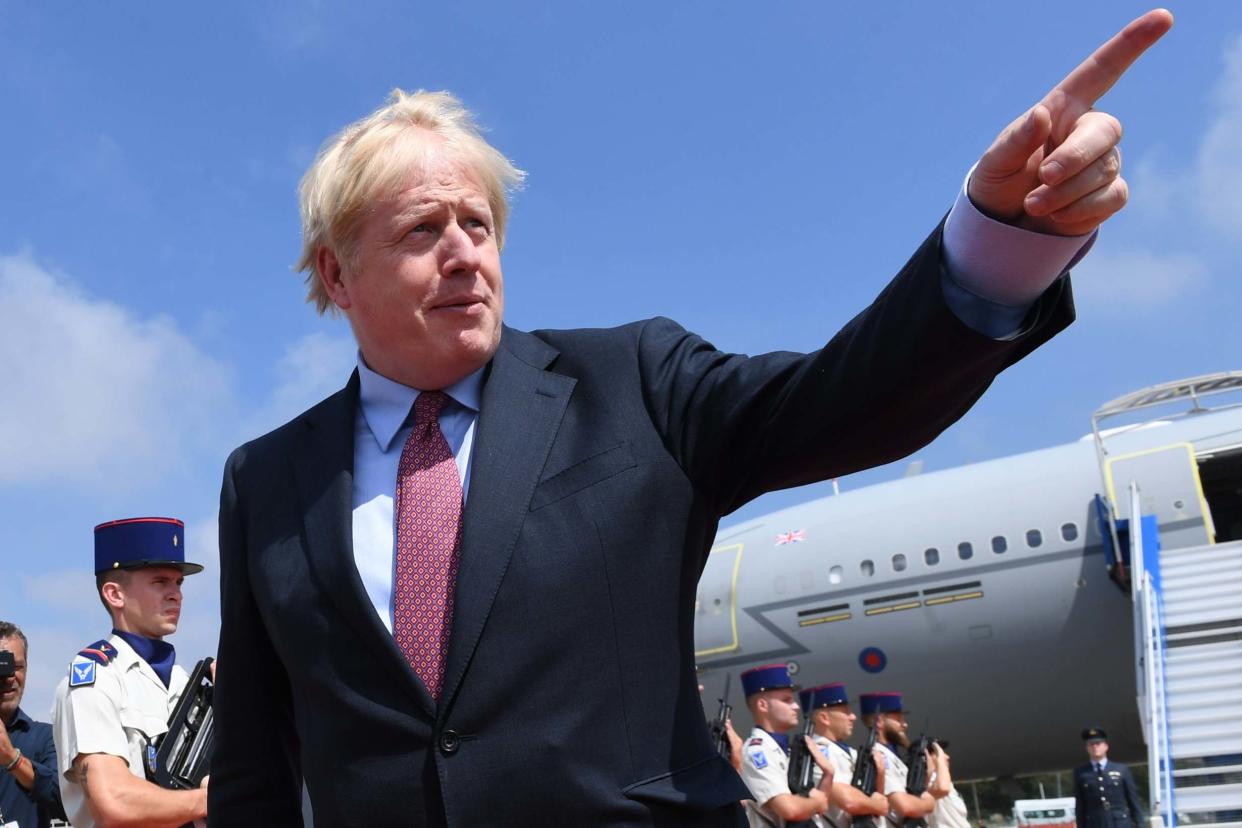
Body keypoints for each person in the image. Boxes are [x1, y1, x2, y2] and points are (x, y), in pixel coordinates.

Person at [208, 11, 1173, 826]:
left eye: (481, 225)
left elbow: (843, 402)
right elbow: (256, 761)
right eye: (424, 229)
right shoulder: (268, 480)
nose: (466, 253)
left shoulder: (632, 382)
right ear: (335, 273)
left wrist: (1002, 244)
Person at [50, 517, 209, 828]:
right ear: (115, 594)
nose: (176, 594)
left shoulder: (185, 681)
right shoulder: (95, 678)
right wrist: (209, 799)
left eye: (178, 583)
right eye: (160, 582)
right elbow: (114, 802)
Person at [737, 665, 829, 827]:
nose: (796, 706)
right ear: (762, 705)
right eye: (787, 700)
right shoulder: (757, 751)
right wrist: (816, 802)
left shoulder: (784, 749)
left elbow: (819, 808)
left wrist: (829, 773)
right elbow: (789, 809)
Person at [0, 622, 66, 828]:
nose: (9, 677)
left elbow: (65, 802)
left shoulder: (45, 737)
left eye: (16, 667)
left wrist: (13, 759)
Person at [798, 683, 887, 828]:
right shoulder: (816, 752)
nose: (853, 717)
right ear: (824, 717)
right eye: (845, 711)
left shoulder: (851, 753)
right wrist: (875, 804)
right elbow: (847, 800)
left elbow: (881, 806)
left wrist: (880, 774)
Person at [859, 692, 947, 828]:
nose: (904, 724)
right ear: (879, 721)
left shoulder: (893, 755)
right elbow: (904, 806)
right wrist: (929, 801)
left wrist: (926, 776)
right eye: (898, 718)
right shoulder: (879, 755)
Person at [1073, 728, 1144, 828]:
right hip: (1094, 823)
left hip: (1119, 823)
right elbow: (1080, 805)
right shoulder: (1081, 772)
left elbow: (1132, 799)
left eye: (1098, 743)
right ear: (1087, 748)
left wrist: (1139, 823)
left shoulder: (1121, 769)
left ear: (1106, 746)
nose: (1095, 747)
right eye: (1091, 744)